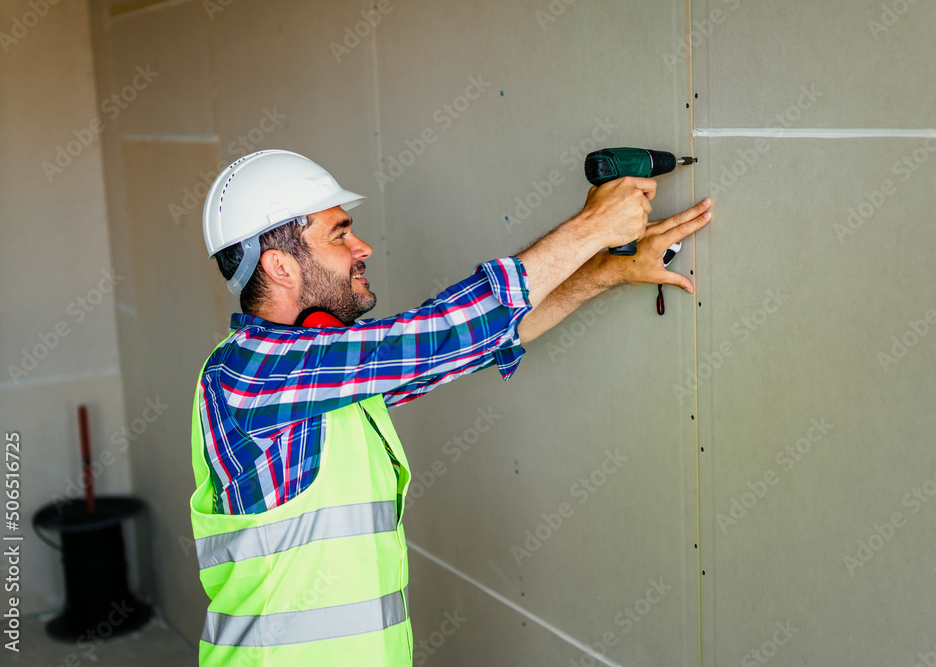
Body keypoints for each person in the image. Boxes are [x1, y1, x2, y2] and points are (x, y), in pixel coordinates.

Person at [188, 149, 712, 666]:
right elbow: (440, 337)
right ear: (280, 266)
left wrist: (607, 270)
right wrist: (593, 226)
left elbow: (465, 346)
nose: (362, 246)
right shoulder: (249, 372)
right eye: (341, 233)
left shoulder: (321, 375)